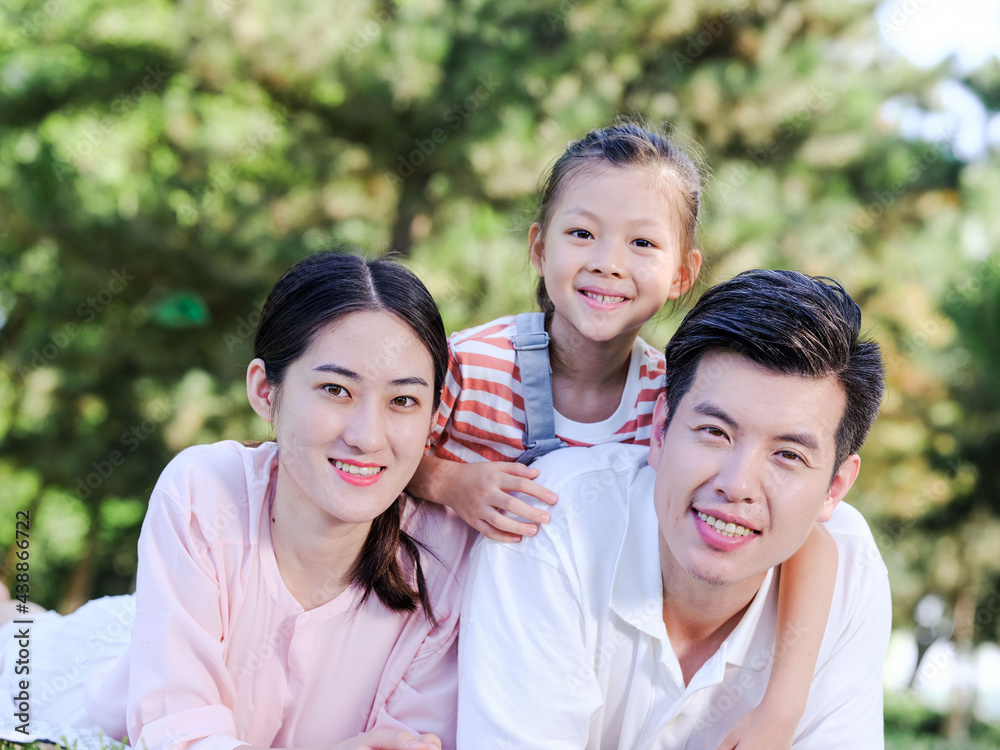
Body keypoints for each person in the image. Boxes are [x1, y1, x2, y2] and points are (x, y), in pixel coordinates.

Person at [408, 122, 840, 748]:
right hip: (427, 635)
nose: (607, 263)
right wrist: (448, 479)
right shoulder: (468, 365)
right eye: (581, 234)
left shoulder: (675, 404)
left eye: (642, 242)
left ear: (681, 274)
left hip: (555, 652)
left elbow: (817, 541)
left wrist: (782, 705)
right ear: (539, 247)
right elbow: (377, 455)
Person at [0, 251, 475, 750]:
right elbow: (177, 734)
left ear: (432, 415)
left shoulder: (446, 555)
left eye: (403, 400)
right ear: (264, 390)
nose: (367, 436)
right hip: (113, 674)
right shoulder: (204, 491)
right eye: (336, 389)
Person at [457, 269, 892, 748]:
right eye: (714, 432)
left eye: (788, 455)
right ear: (660, 428)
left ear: (835, 487)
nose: (737, 485)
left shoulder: (851, 571)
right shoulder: (548, 522)